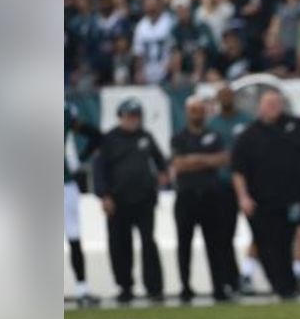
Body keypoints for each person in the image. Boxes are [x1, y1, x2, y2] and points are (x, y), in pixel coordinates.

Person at [231, 89, 300, 299]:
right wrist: (243, 197)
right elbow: (238, 170)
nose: (273, 108)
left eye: (277, 103)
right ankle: (285, 288)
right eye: (269, 103)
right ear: (259, 106)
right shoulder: (248, 135)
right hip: (269, 200)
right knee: (273, 245)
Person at [92, 98, 168, 304]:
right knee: (119, 245)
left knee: (148, 243)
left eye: (136, 116)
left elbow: (160, 159)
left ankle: (154, 288)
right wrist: (104, 195)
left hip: (144, 199)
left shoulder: (146, 136)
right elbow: (98, 170)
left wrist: (162, 174)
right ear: (121, 117)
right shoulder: (108, 139)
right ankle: (125, 286)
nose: (133, 120)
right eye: (130, 116)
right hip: (118, 201)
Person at [170, 96, 238, 303]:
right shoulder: (179, 136)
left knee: (215, 243)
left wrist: (194, 159)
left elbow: (223, 159)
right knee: (184, 243)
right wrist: (206, 160)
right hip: (187, 195)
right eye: (193, 110)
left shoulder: (213, 134)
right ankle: (185, 286)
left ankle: (219, 286)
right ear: (187, 111)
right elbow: (179, 165)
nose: (197, 113)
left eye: (200, 109)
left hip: (211, 195)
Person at [205, 85, 255, 290]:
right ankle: (231, 279)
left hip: (249, 183)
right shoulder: (212, 124)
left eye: (228, 95)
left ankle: (256, 273)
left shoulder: (246, 121)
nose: (226, 99)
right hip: (222, 185)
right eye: (222, 96)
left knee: (263, 231)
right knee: (225, 234)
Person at [65, 103, 103, 308]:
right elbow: (95, 135)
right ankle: (82, 290)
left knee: (74, 238)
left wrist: (77, 161)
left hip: (64, 184)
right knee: (74, 238)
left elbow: (96, 135)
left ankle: (82, 289)